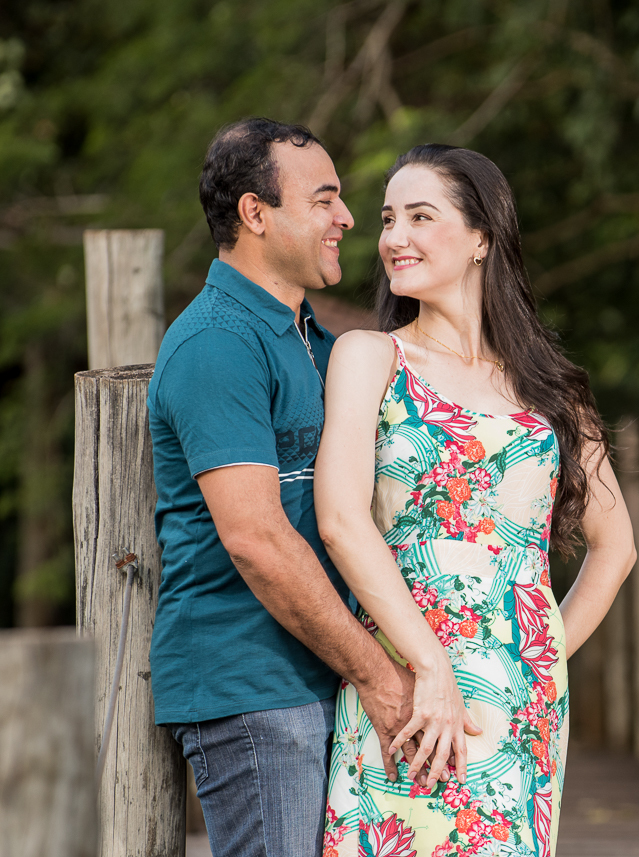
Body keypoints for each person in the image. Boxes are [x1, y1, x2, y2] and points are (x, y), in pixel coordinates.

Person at [317, 144, 636, 857]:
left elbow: (618, 548)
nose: (395, 237)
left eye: (420, 217)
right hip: (404, 691)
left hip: (517, 705)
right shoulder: (370, 356)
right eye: (388, 218)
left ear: (482, 237)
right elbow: (340, 521)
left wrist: (538, 661)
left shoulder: (554, 387)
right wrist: (430, 667)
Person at [147, 118, 420, 857]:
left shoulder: (314, 340)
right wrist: (381, 677)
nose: (348, 218)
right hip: (256, 690)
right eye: (325, 199)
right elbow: (258, 540)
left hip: (322, 677)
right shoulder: (216, 344)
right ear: (255, 213)